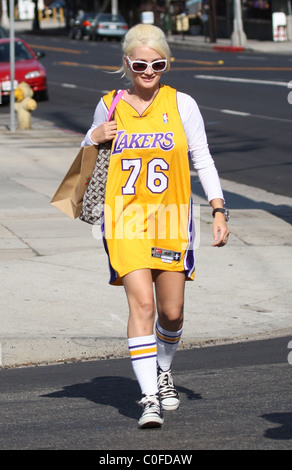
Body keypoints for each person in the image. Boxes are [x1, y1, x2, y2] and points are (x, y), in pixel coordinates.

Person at [81, 23, 229, 429]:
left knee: (172, 311)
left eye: (158, 63)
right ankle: (148, 397)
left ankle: (163, 370)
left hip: (172, 221)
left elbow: (203, 159)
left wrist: (218, 209)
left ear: (166, 64)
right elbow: (84, 155)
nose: (149, 70)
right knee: (142, 306)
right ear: (126, 63)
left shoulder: (182, 104)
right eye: (141, 63)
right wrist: (94, 135)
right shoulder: (109, 104)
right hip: (124, 222)